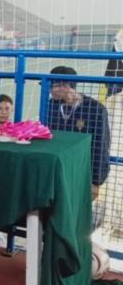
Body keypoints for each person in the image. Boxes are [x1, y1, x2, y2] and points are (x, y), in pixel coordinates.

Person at [45, 66, 110, 201]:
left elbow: (100, 145)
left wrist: (96, 181)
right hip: (56, 173)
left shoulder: (95, 109)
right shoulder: (50, 106)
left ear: (64, 86)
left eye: (52, 86)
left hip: (82, 173)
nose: (50, 90)